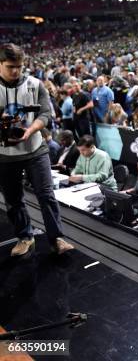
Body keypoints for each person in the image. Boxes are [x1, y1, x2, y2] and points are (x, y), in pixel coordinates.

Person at [0, 43, 74, 256]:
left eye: (19, 66)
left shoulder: (35, 84)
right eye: (10, 66)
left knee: (46, 194)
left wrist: (31, 130)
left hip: (35, 148)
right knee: (13, 200)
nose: (15, 71)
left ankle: (57, 238)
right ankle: (25, 236)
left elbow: (45, 114)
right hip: (5, 155)